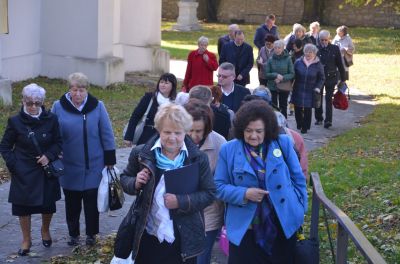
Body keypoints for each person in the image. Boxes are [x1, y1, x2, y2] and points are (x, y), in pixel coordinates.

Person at [117, 103, 215, 264]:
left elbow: (209, 193)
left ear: (186, 131)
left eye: (178, 132)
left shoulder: (197, 158)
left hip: (184, 239)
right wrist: (135, 183)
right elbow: (125, 178)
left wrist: (181, 201)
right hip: (148, 235)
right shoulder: (142, 154)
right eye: (167, 132)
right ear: (158, 130)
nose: (172, 138)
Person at [214, 100, 307, 264]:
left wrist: (301, 208)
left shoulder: (283, 143)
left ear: (268, 129)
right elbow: (218, 187)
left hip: (283, 224)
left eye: (258, 131)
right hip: (245, 228)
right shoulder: (228, 150)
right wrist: (244, 193)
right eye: (248, 130)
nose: (253, 136)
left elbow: (298, 178)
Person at [52, 72, 116, 246]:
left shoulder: (98, 106)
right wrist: (53, 151)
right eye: (74, 90)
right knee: (72, 202)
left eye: (81, 90)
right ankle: (73, 234)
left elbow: (107, 134)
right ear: (69, 90)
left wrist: (110, 159)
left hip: (94, 164)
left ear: (87, 90)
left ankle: (91, 234)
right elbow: (52, 132)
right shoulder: (58, 107)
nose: (78, 94)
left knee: (91, 202)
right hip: (69, 164)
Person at [0, 84, 62, 256]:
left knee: (48, 205)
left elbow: (58, 142)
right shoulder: (15, 122)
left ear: (42, 102)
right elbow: (4, 147)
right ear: (23, 102)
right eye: (29, 103)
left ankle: (45, 230)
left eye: (37, 103)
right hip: (23, 172)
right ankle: (26, 239)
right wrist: (15, 165)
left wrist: (49, 156)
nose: (33, 107)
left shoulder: (51, 119)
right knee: (23, 208)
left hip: (45, 170)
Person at [184, 100, 227, 264]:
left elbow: (222, 182)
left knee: (201, 259)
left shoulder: (219, 144)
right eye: (189, 130)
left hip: (207, 213)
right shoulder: (175, 139)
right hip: (179, 210)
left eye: (198, 131)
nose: (193, 136)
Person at [124, 73, 177, 146]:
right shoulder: (149, 98)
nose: (163, 85)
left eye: (166, 83)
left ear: (172, 86)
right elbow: (135, 116)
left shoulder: (175, 102)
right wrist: (128, 137)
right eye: (161, 82)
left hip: (166, 140)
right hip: (146, 138)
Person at [315, 30, 346, 129]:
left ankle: (328, 120)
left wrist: (343, 79)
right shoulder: (316, 49)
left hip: (331, 77)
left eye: (325, 40)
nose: (323, 42)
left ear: (329, 39)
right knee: (318, 98)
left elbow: (340, 64)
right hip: (318, 78)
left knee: (328, 99)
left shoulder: (335, 49)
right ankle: (319, 117)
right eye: (321, 40)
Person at [292, 44, 325, 134]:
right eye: (306, 51)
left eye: (310, 52)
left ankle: (305, 127)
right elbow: (292, 74)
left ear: (314, 53)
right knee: (297, 107)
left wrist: (318, 87)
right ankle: (299, 123)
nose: (308, 53)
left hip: (311, 89)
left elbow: (322, 78)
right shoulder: (298, 62)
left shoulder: (318, 64)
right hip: (298, 87)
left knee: (307, 108)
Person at [265, 39, 295, 118]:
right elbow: (266, 74)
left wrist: (282, 78)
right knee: (273, 106)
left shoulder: (288, 59)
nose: (277, 50)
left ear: (283, 48)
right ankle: (274, 122)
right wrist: (275, 75)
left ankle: (284, 122)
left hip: (284, 86)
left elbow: (292, 73)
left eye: (279, 48)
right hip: (272, 86)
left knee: (283, 105)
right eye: (275, 48)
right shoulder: (270, 60)